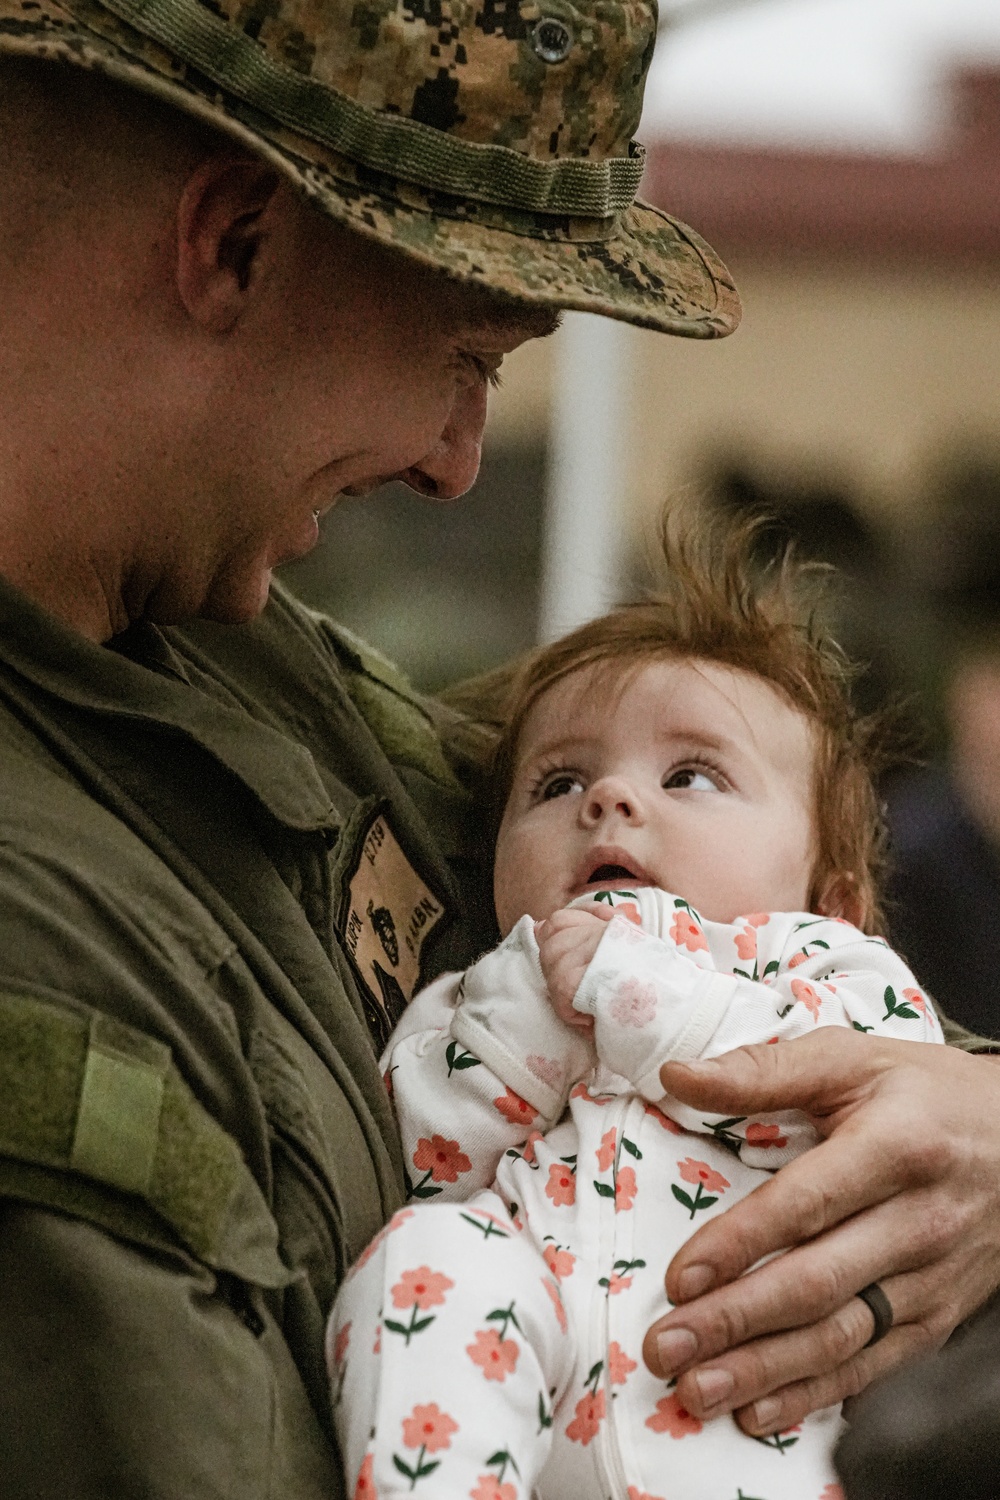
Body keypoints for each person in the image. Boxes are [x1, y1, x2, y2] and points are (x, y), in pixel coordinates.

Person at [0, 1, 997, 1494]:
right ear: (235, 245)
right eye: (466, 352)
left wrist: (967, 1119)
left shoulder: (273, 669)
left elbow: (747, 938)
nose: (458, 460)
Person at [327, 521, 942, 1500]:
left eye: (691, 776)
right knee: (430, 1254)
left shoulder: (821, 966)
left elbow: (859, 1119)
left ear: (830, 892)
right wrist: (533, 1008)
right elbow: (425, 1157)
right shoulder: (476, 996)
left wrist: (633, 995)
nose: (608, 798)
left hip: (759, 1424)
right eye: (558, 782)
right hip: (535, 1370)